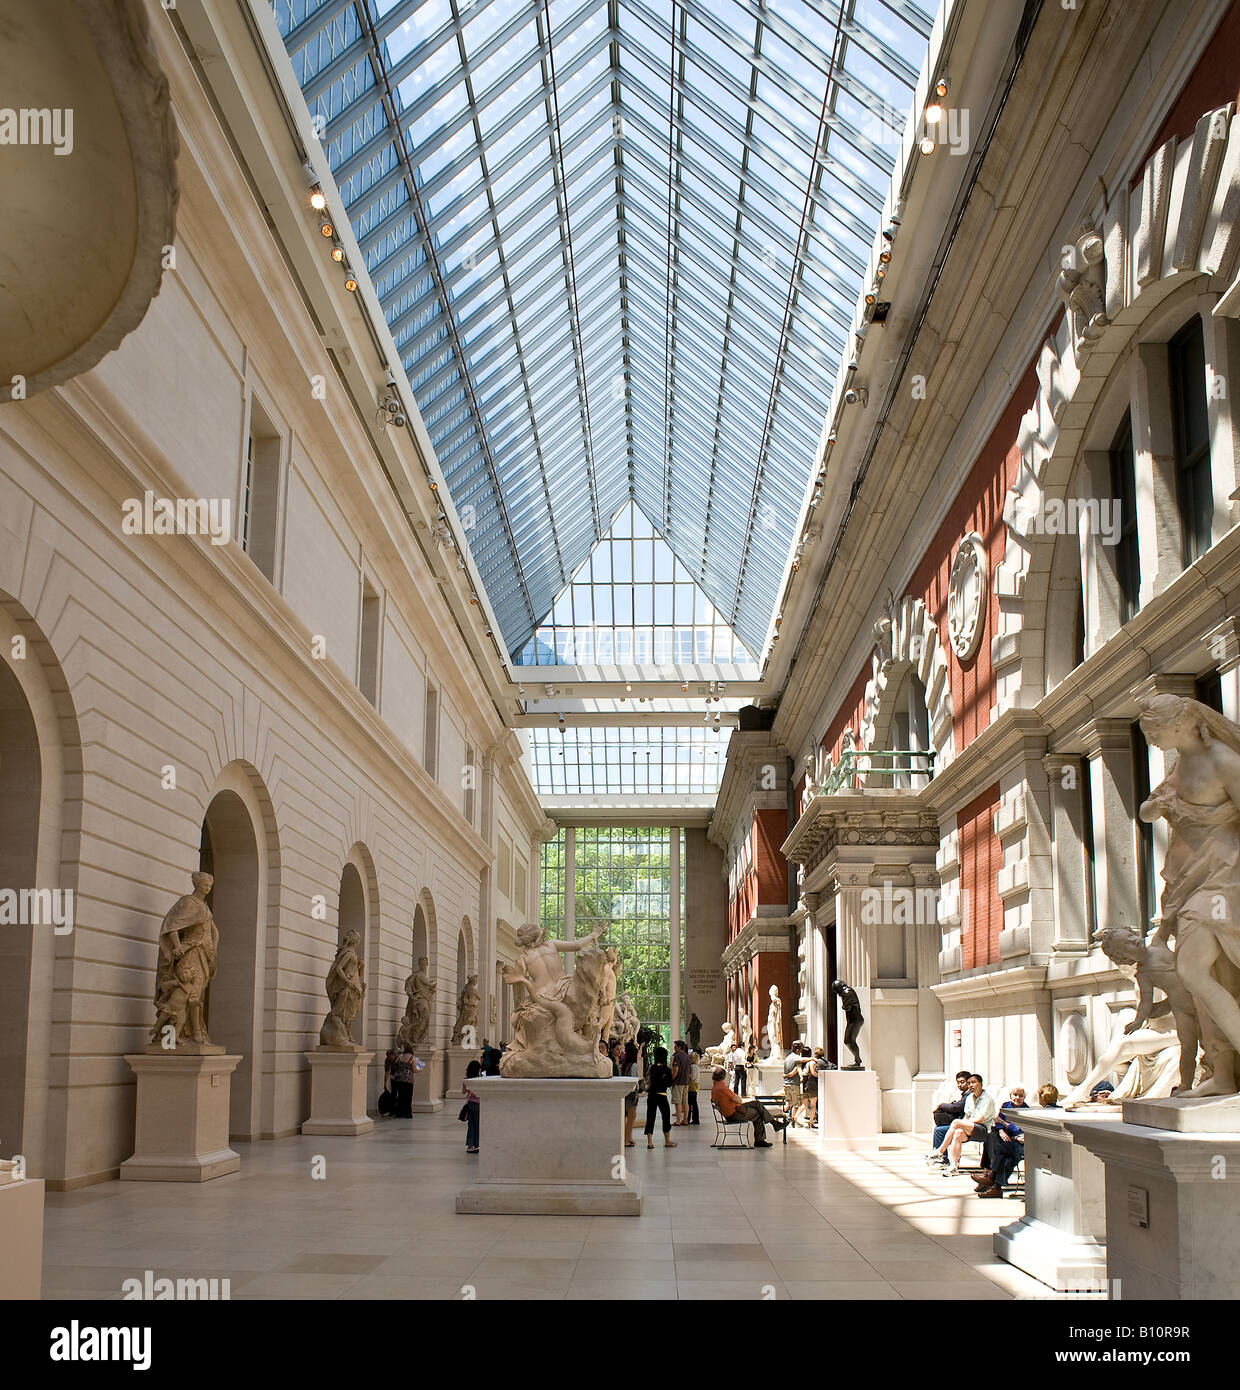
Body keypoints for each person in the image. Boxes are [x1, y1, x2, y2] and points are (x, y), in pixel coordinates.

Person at [928, 1073, 995, 1175]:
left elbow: (981, 1118)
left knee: (956, 1122)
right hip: (971, 1127)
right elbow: (967, 1116)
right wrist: (963, 1124)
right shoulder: (969, 1098)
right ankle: (953, 1166)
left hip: (983, 1129)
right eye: (969, 1083)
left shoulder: (987, 1099)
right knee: (958, 1133)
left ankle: (940, 1151)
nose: (971, 1085)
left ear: (980, 1083)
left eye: (973, 1082)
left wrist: (963, 1123)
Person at [710, 1068, 788, 1148]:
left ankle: (772, 1125)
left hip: (732, 1112)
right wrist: (736, 1098)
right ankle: (765, 1134)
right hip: (734, 1114)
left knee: (756, 1104)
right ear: (723, 1076)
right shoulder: (722, 1088)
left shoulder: (715, 1087)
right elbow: (739, 1100)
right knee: (758, 1113)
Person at [974, 1086, 1026, 1196]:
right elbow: (997, 1120)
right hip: (1005, 1136)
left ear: (1024, 1097)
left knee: (1006, 1156)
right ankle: (989, 1173)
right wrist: (1001, 1129)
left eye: (1020, 1096)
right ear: (1010, 1096)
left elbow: (1019, 1130)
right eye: (1015, 1095)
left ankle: (992, 1180)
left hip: (1017, 1141)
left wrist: (1004, 1124)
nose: (1017, 1098)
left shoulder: (1026, 1110)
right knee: (990, 1137)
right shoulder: (1006, 1105)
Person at [925, 1071, 972, 1161]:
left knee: (939, 1131)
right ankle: (941, 1157)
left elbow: (957, 1107)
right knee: (940, 1129)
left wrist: (941, 1106)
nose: (960, 1085)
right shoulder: (966, 1094)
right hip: (962, 1124)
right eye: (958, 1083)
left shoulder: (969, 1095)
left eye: (962, 1082)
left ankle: (942, 1158)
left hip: (966, 1126)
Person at [644, 1047, 677, 1149]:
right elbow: (669, 1083)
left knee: (650, 1117)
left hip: (651, 1095)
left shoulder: (652, 1068)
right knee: (665, 1116)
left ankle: (650, 1142)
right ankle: (667, 1141)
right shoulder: (666, 1069)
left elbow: (647, 1079)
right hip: (662, 1095)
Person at [783, 1043, 807, 1125]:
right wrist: (813, 1059)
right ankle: (793, 1122)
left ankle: (786, 1118)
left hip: (786, 1084)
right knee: (796, 1105)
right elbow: (797, 1070)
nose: (801, 1052)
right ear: (797, 1050)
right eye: (800, 1050)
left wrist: (785, 1075)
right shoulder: (797, 1059)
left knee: (788, 1103)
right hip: (794, 1084)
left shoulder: (787, 1058)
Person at [390, 1043, 417, 1118]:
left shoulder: (400, 1056)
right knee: (408, 1096)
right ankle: (408, 1113)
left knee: (400, 1096)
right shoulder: (412, 1058)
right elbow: (415, 1069)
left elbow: (396, 1065)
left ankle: (399, 1113)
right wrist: (419, 1069)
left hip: (399, 1079)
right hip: (408, 1079)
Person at [622, 1039, 640, 1147]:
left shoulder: (625, 1064)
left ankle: (628, 1137)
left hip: (627, 1093)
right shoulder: (633, 1065)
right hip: (632, 1094)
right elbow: (634, 1080)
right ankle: (626, 1139)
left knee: (630, 1117)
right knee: (631, 1117)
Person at [462, 1058, 481, 1153]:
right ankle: (477, 1144)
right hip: (478, 1103)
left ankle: (470, 1145)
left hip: (469, 1103)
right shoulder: (479, 1078)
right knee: (477, 1125)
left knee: (471, 1125)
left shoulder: (466, 1079)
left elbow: (463, 1092)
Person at [670, 1039, 691, 1125]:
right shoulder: (687, 1056)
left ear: (679, 1047)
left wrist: (671, 1080)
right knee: (685, 1102)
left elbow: (676, 1070)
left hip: (678, 1082)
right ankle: (685, 1120)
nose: (674, 1047)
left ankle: (678, 1120)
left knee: (678, 1102)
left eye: (675, 1046)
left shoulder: (677, 1056)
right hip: (686, 1081)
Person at [802, 1047, 824, 1128]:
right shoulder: (813, 1062)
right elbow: (813, 1073)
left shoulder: (809, 1062)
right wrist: (822, 1075)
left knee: (804, 1104)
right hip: (812, 1085)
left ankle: (795, 1118)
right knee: (813, 1104)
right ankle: (811, 1122)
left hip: (806, 1085)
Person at [687, 1050, 701, 1125]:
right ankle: (694, 1119)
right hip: (695, 1086)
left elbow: (692, 1077)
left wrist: (686, 1073)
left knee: (690, 1103)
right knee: (693, 1103)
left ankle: (690, 1119)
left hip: (692, 1086)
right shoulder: (696, 1066)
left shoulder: (692, 1067)